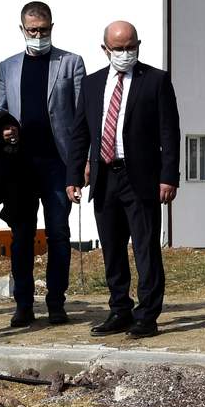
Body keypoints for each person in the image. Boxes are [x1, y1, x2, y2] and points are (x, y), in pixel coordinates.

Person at [68, 20, 179, 339]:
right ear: (105, 49)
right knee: (112, 248)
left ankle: (147, 315)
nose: (125, 53)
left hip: (141, 177)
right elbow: (80, 133)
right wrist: (74, 175)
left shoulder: (155, 80)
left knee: (145, 248)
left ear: (138, 45)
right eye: (119, 48)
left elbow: (169, 132)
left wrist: (169, 176)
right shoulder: (91, 84)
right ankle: (120, 309)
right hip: (104, 176)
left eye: (131, 47)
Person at [0, 1, 87, 326]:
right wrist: (4, 129)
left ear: (51, 27)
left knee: (58, 233)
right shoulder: (7, 67)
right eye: (32, 30)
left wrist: (81, 163)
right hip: (21, 167)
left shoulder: (71, 63)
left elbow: (81, 117)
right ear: (22, 29)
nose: (38, 35)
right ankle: (23, 304)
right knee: (22, 235)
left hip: (58, 164)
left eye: (43, 30)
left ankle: (56, 303)